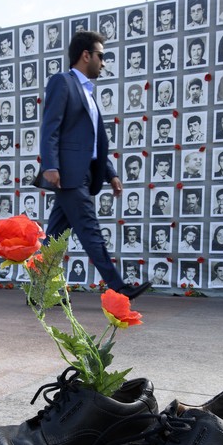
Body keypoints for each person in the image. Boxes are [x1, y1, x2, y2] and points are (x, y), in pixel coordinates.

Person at [36, 31, 150, 300]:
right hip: (68, 175)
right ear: (85, 55)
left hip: (84, 173)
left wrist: (110, 173)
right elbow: (50, 127)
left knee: (53, 239)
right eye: (101, 56)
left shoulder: (88, 92)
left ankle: (38, 291)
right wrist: (50, 165)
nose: (103, 62)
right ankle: (118, 287)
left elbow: (91, 140)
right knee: (90, 229)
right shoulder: (62, 82)